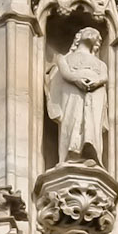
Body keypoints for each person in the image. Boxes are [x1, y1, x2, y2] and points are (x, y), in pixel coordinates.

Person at [46, 26, 109, 165]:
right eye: (88, 31)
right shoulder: (64, 58)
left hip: (95, 92)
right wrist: (76, 80)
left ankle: (91, 155)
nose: (93, 33)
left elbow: (104, 77)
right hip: (72, 90)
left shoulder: (101, 64)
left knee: (93, 122)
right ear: (79, 36)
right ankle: (70, 156)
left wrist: (96, 82)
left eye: (96, 33)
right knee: (72, 118)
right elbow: (65, 72)